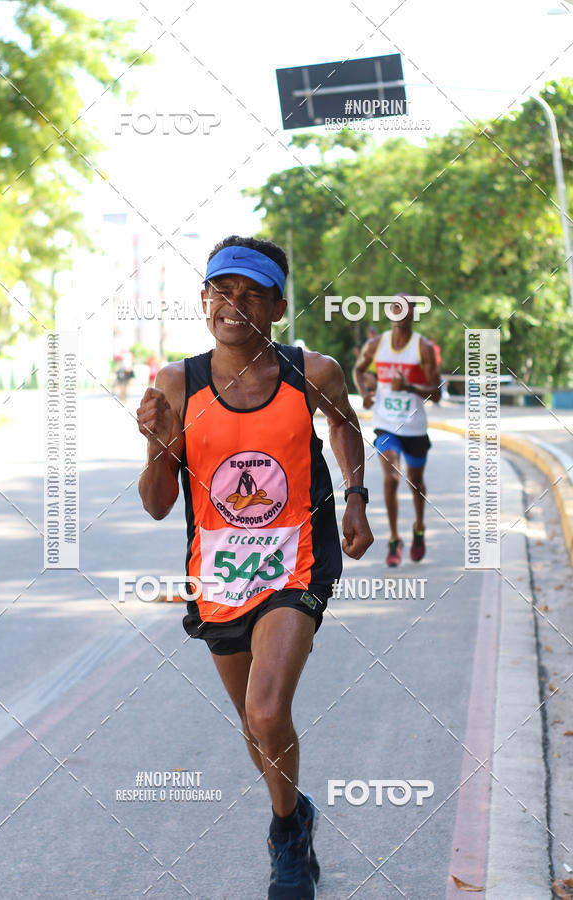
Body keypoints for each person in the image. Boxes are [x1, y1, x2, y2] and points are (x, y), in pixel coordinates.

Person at [136, 235, 373, 899]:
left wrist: (354, 497)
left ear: (276, 305)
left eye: (250, 293)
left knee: (268, 711)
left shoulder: (312, 372)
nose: (232, 304)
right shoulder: (177, 384)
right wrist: (158, 447)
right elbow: (158, 505)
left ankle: (286, 845)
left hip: (299, 561)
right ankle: (290, 816)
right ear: (203, 299)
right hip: (218, 575)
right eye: (221, 290)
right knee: (251, 718)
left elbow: (344, 425)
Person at [353, 295, 440, 567]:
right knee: (391, 477)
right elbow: (357, 369)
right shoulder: (376, 345)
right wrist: (366, 392)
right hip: (386, 423)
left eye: (407, 309)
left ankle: (418, 527)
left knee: (416, 482)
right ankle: (394, 538)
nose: (401, 313)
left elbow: (436, 394)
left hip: (414, 427)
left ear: (413, 314)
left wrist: (411, 388)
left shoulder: (422, 348)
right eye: (395, 308)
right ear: (389, 313)